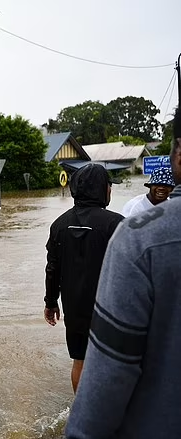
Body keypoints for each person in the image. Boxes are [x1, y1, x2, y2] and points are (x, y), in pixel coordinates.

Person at [65, 108, 181, 438]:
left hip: (88, 298)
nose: (161, 192)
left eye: (165, 188)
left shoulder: (137, 233)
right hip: (99, 296)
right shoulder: (130, 221)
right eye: (156, 187)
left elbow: (113, 370)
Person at [43, 163, 123, 393]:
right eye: (109, 186)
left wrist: (50, 302)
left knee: (80, 360)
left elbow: (52, 268)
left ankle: (80, 411)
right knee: (111, 361)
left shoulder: (58, 225)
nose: (110, 191)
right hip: (110, 310)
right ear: (101, 189)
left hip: (74, 309)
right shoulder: (116, 223)